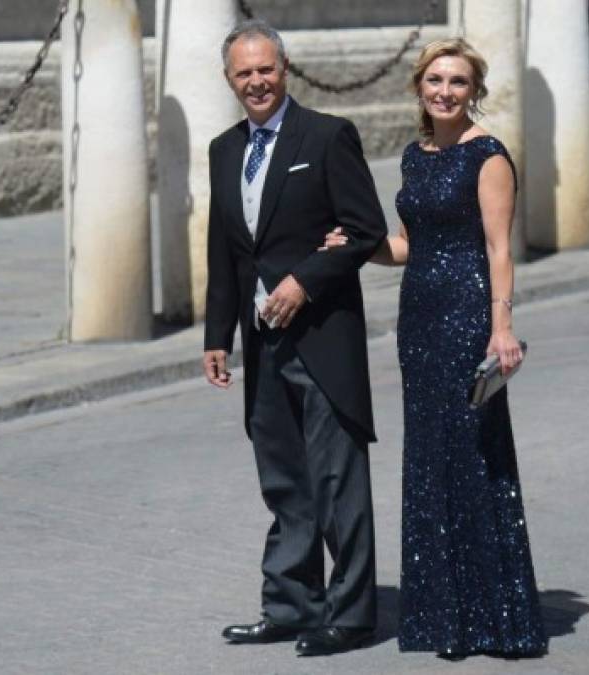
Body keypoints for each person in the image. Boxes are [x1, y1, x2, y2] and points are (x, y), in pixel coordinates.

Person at [324, 38, 548, 659]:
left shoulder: (488, 155)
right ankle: (442, 616)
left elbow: (500, 249)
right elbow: (407, 245)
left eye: (458, 83)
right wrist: (356, 246)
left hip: (468, 313)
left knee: (471, 452)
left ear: (474, 91)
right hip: (418, 316)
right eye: (436, 81)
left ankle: (491, 616)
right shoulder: (413, 156)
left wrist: (501, 327)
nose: (445, 92)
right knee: (429, 456)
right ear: (419, 87)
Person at [202, 19, 387, 657]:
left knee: (338, 482)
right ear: (229, 81)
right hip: (262, 344)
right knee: (283, 480)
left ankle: (353, 614)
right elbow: (226, 253)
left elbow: (365, 229)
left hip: (322, 338)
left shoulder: (327, 137)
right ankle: (289, 604)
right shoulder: (225, 150)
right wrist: (215, 335)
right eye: (243, 73)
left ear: (286, 69)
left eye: (266, 69)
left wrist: (305, 281)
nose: (256, 82)